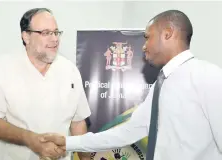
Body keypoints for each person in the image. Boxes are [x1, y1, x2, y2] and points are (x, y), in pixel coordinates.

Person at [40, 10, 222, 160]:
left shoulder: (209, 76)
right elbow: (128, 131)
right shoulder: (162, 84)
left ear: (168, 34)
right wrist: (69, 142)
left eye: (147, 37)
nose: (143, 46)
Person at [0, 8, 91, 160]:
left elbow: (78, 123)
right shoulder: (1, 68)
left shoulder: (70, 70)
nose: (55, 39)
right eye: (46, 33)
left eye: (56, 32)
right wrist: (31, 140)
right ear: (26, 36)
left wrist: (86, 158)